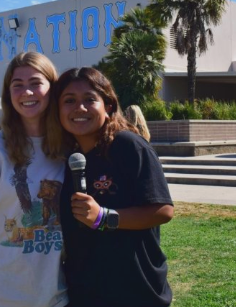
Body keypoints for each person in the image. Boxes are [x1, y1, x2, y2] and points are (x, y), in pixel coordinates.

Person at [53, 67, 174, 307]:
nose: (80, 108)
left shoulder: (128, 145)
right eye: (69, 101)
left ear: (108, 106)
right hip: (83, 291)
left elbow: (162, 210)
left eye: (90, 99)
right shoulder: (67, 157)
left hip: (133, 291)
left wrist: (103, 217)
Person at [0, 52, 68, 307]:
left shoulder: (67, 149)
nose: (26, 92)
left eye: (35, 83)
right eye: (17, 85)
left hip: (57, 296)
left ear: (52, 88)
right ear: (8, 94)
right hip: (0, 295)